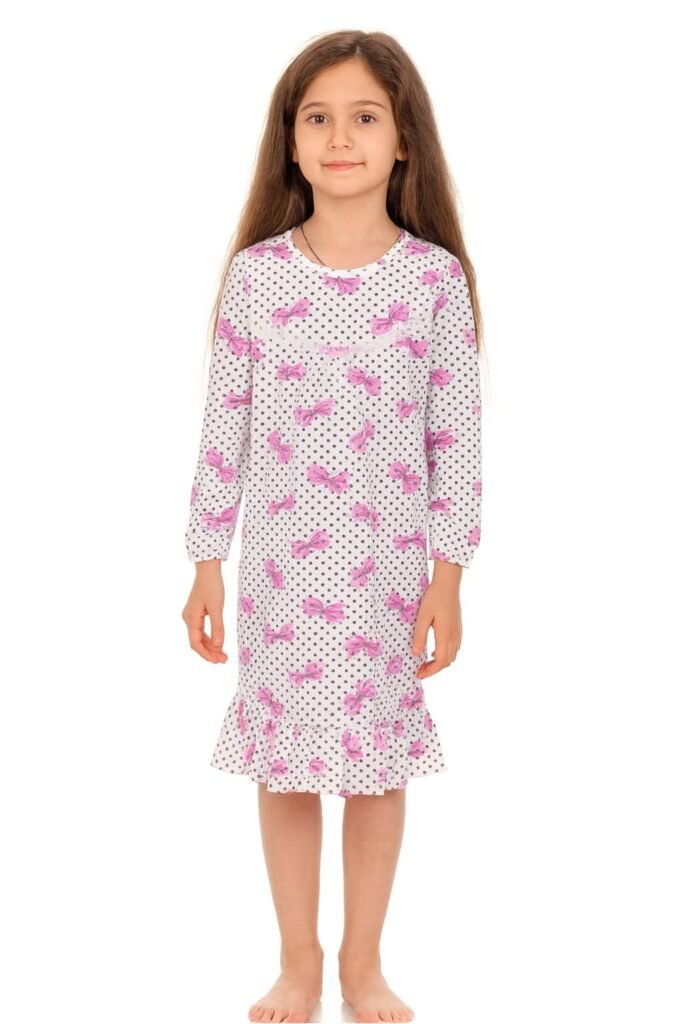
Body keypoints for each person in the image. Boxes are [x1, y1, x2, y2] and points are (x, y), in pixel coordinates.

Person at [181, 29, 484, 1024]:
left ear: (403, 142)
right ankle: (296, 961)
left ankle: (363, 963)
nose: (340, 137)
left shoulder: (433, 282)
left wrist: (448, 573)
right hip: (280, 575)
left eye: (363, 117)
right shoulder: (257, 277)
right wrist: (205, 560)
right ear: (290, 139)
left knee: (375, 769)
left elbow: (454, 436)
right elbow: (223, 426)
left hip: (388, 578)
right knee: (285, 766)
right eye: (317, 118)